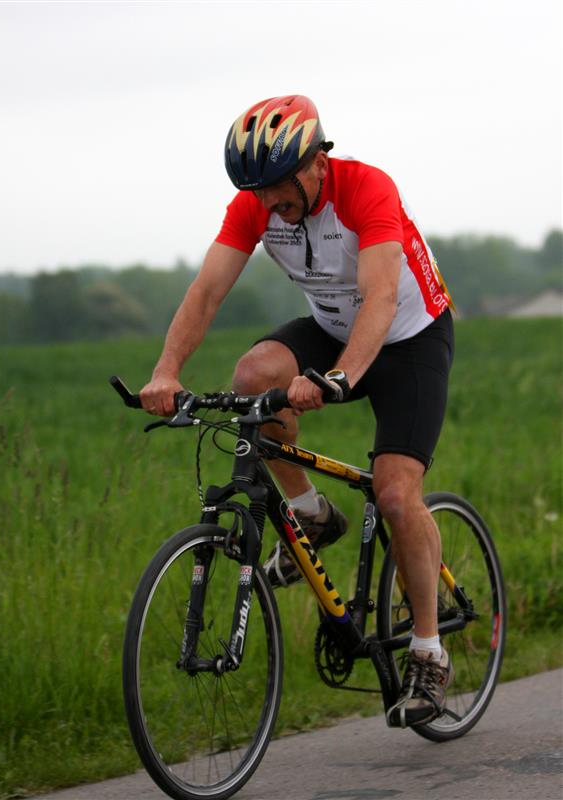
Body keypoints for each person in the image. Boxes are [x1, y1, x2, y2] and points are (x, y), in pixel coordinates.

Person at [140, 94, 455, 726]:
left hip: (410, 339)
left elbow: (380, 297)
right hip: (333, 330)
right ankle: (311, 512)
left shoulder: (367, 189)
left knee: (396, 496)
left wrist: (339, 378)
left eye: (279, 185)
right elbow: (206, 292)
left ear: (317, 162)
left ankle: (428, 650)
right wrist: (166, 372)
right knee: (253, 378)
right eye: (256, 190)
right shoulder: (256, 206)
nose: (269, 201)